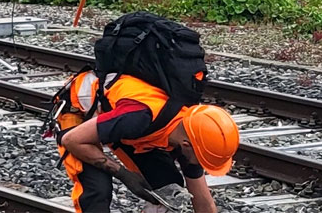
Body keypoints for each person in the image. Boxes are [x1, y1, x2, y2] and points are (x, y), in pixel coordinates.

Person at [55, 71, 239, 213]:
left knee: (168, 188)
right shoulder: (138, 117)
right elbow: (72, 140)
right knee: (98, 192)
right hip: (78, 113)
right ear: (186, 145)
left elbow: (203, 201)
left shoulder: (191, 132)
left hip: (118, 122)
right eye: (202, 160)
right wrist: (124, 175)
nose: (201, 165)